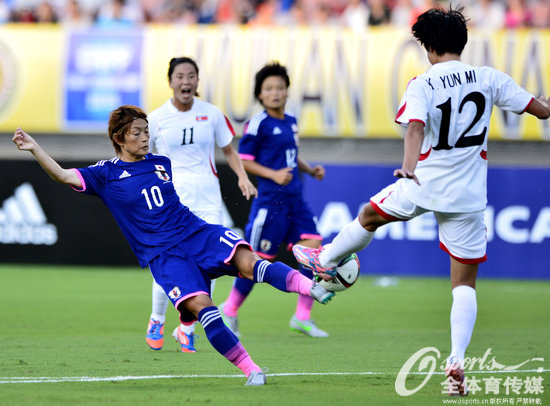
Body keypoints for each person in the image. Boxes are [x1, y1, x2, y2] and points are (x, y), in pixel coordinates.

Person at [292, 6, 550, 396]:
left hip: (424, 180)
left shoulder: (423, 83)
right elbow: (541, 111)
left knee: (369, 215)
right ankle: (457, 359)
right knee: (464, 284)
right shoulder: (489, 77)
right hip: (468, 194)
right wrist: (544, 102)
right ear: (462, 43)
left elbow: (414, 126)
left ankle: (325, 259)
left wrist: (407, 166)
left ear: (428, 47)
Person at [12, 105, 336, 386]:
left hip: (195, 232)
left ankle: (314, 288)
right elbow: (63, 176)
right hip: (164, 256)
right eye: (137, 132)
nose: (144, 137)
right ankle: (251, 370)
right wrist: (35, 148)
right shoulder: (105, 174)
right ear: (119, 138)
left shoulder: (161, 163)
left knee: (250, 262)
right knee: (206, 311)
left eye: (146, 131)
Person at [145, 56, 257, 353]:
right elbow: (145, 158)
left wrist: (243, 178)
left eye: (191, 76)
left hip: (208, 199)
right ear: (170, 81)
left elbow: (230, 151)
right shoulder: (155, 119)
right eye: (180, 76)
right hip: (173, 203)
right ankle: (156, 318)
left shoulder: (212, 114)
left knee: (213, 265)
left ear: (197, 81)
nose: (186, 81)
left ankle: (186, 327)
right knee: (168, 264)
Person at [219, 62, 329, 338]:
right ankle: (229, 310)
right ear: (260, 94)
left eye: (280, 87)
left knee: (313, 251)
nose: (275, 93)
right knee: (255, 264)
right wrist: (274, 175)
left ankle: (302, 317)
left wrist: (309, 169)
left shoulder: (291, 121)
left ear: (287, 91)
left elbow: (292, 156)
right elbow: (244, 162)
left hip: (296, 201)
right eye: (269, 88)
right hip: (270, 205)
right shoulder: (257, 124)